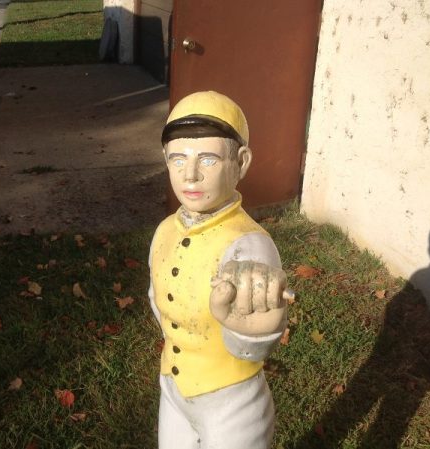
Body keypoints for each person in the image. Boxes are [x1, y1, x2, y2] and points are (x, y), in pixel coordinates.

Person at [148, 91, 289, 449]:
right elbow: (157, 301)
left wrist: (253, 334)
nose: (190, 175)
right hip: (174, 388)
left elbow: (250, 342)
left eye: (208, 159)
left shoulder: (247, 246)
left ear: (240, 162)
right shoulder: (164, 231)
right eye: (178, 159)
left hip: (230, 400)